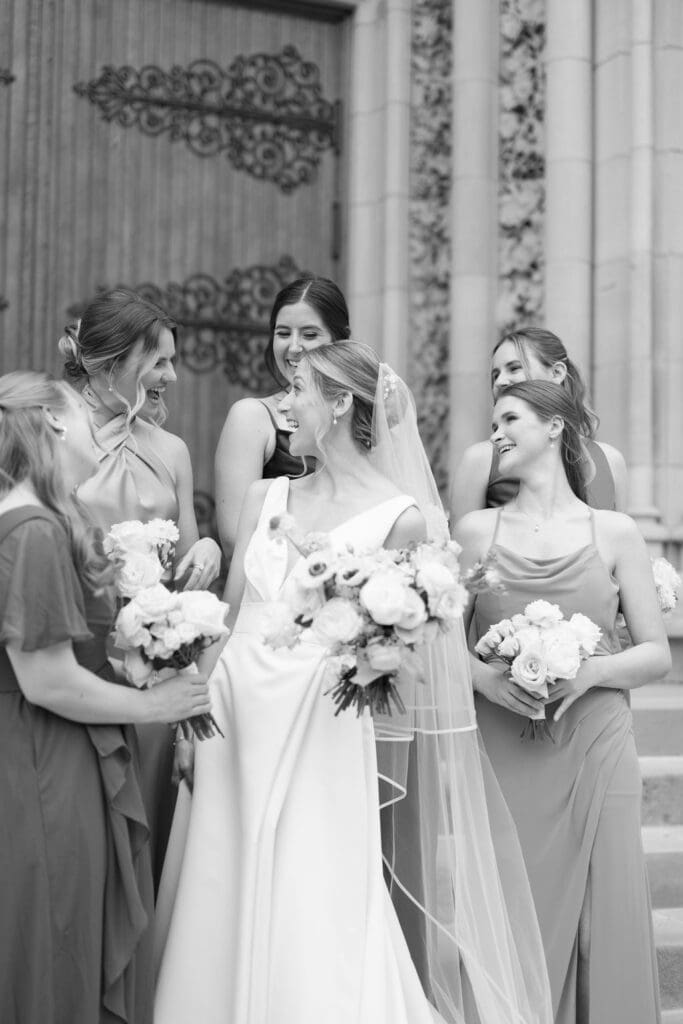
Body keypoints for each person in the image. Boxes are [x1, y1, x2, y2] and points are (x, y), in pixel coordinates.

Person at [154, 342, 553, 1024]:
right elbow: (230, 608)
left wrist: (366, 654)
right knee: (217, 880)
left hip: (321, 724)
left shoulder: (400, 516)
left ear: (340, 404)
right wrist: (193, 711)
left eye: (300, 389)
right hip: (232, 717)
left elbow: (403, 650)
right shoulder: (263, 494)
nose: (286, 405)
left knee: (313, 886)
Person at [0, 371, 211, 1024]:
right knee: (57, 937)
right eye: (82, 412)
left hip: (47, 750)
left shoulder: (31, 519)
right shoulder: (31, 529)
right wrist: (159, 706)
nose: (99, 426)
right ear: (56, 423)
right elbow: (47, 680)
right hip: (45, 760)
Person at [455, 380, 669, 1024]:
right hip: (505, 747)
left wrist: (587, 673)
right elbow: (437, 647)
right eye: (493, 422)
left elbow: (656, 653)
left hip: (598, 742)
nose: (496, 433)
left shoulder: (616, 533)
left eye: (510, 418)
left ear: (555, 427)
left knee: (610, 910)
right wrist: (490, 682)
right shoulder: (473, 531)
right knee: (519, 910)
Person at [58, 286, 222, 886]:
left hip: (156, 666)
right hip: (79, 663)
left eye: (174, 360)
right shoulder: (51, 436)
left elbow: (187, 565)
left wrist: (207, 549)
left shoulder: (172, 450)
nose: (172, 376)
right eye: (158, 362)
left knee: (149, 843)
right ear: (109, 365)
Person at [214, 275, 351, 559]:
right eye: (283, 333)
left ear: (340, 341)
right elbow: (233, 538)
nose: (294, 347)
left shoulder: (358, 416)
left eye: (310, 335)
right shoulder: (251, 417)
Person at [450, 328, 628, 521]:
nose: (500, 381)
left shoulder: (611, 461)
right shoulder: (479, 460)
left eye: (514, 368)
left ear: (557, 372)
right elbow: (460, 547)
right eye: (495, 375)